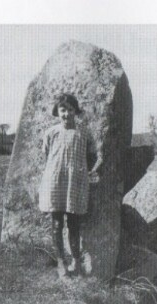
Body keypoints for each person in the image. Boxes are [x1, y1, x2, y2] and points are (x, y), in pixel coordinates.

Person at [38, 93, 103, 277]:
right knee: (57, 223)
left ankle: (76, 260)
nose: (66, 114)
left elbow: (92, 157)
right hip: (55, 181)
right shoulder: (51, 133)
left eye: (70, 110)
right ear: (58, 112)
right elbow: (47, 156)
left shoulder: (83, 133)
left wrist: (84, 172)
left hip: (75, 183)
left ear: (76, 111)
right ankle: (61, 263)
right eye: (63, 110)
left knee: (74, 224)